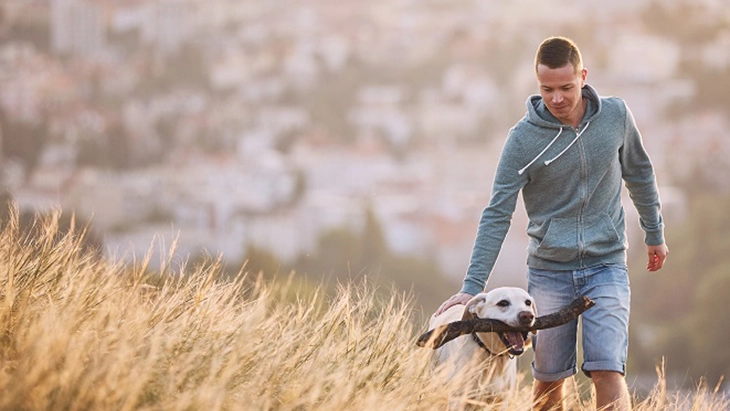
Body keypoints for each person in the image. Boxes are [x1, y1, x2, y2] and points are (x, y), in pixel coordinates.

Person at [436, 36, 668, 411]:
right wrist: (471, 287)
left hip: (606, 264)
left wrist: (654, 233)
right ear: (537, 84)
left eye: (566, 87)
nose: (557, 98)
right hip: (549, 271)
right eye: (547, 89)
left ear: (583, 77)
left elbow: (640, 174)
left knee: (607, 370)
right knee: (549, 381)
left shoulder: (616, 116)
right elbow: (497, 212)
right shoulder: (522, 140)